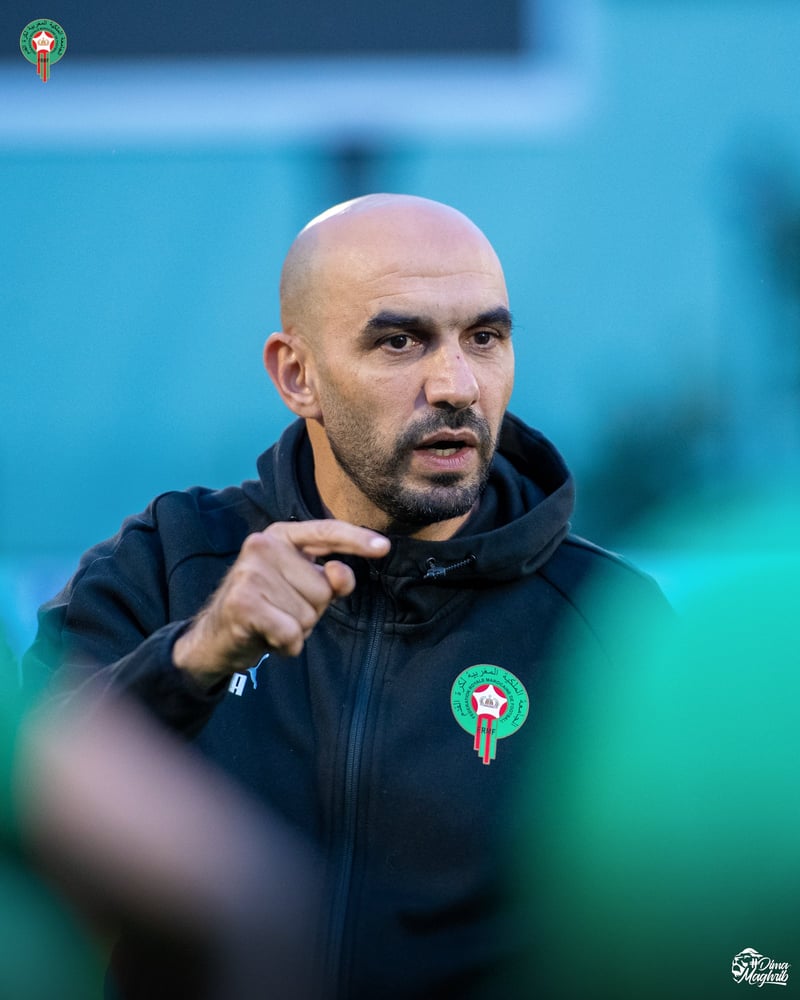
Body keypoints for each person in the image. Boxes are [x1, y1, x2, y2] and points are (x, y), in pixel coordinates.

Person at [25, 194, 671, 999]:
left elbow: (726, 938)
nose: (456, 384)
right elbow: (24, 804)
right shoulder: (167, 563)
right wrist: (192, 659)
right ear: (298, 376)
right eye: (400, 341)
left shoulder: (612, 622)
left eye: (485, 338)